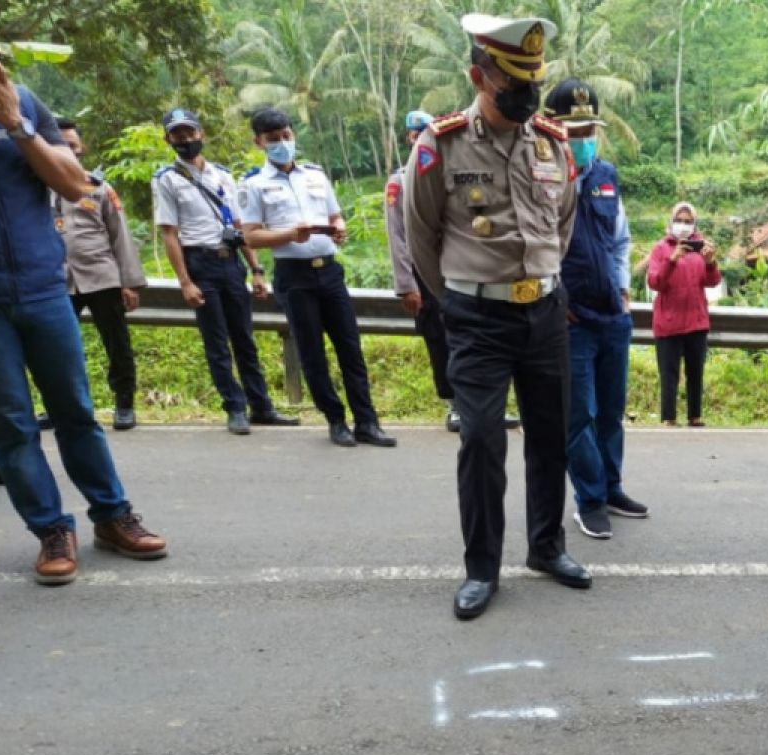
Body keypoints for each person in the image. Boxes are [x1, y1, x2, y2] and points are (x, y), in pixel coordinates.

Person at [403, 13, 592, 620]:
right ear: (479, 75)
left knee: (550, 435)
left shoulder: (551, 143)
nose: (527, 93)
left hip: (544, 310)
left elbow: (562, 224)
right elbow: (421, 235)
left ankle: (547, 548)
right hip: (476, 317)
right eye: (513, 81)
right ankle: (481, 568)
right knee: (482, 439)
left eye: (532, 80)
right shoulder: (441, 142)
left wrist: (540, 284)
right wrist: (462, 298)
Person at [0, 44, 166, 585]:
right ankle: (51, 530)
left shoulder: (22, 102)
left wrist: (15, 124)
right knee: (12, 425)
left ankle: (112, 516)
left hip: (44, 287)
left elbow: (72, 182)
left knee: (76, 411)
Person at [239, 107, 395, 448]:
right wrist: (289, 235)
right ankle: (336, 421)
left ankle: (367, 422)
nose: (282, 143)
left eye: (286, 135)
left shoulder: (315, 175)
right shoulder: (254, 184)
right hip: (294, 276)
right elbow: (250, 236)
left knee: (350, 349)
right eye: (273, 139)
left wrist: (339, 228)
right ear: (259, 142)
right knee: (312, 353)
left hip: (329, 271)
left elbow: (335, 215)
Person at [542, 77, 647, 540]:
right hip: (572, 319)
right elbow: (531, 246)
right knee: (578, 414)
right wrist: (554, 295)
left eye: (589, 130)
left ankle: (611, 486)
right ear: (551, 129)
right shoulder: (540, 178)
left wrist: (624, 290)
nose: (582, 139)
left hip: (612, 315)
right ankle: (589, 498)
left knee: (610, 411)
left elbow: (619, 239)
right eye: (573, 130)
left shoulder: (605, 176)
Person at [153, 108, 298, 435]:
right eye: (178, 134)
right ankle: (234, 407)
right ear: (168, 139)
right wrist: (185, 282)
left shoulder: (223, 176)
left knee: (245, 339)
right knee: (217, 343)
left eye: (190, 132)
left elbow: (240, 226)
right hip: (199, 264)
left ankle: (261, 407)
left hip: (230, 264)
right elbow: (169, 235)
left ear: (201, 133)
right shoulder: (167, 180)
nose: (186, 139)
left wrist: (256, 270)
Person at [385, 110, 522, 435]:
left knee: (479, 338)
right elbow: (398, 235)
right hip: (427, 273)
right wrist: (406, 284)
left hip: (466, 270)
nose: (424, 139)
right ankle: (455, 405)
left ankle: (490, 404)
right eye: (417, 133)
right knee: (440, 340)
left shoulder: (459, 172)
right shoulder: (401, 181)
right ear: (410, 138)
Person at [52, 117, 146, 431]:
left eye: (72, 146)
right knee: (55, 347)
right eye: (60, 145)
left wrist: (129, 282)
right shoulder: (37, 184)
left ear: (82, 148)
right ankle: (60, 408)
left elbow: (121, 235)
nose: (67, 151)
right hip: (57, 281)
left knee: (117, 344)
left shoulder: (98, 186)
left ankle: (124, 404)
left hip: (102, 276)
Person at [646, 202, 721, 427]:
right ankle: (669, 417)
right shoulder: (661, 249)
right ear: (671, 222)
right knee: (669, 374)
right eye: (679, 220)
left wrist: (710, 263)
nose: (683, 225)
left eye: (688, 222)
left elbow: (712, 281)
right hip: (668, 322)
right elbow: (655, 282)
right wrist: (672, 260)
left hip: (696, 321)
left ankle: (695, 415)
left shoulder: (701, 249)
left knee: (695, 372)